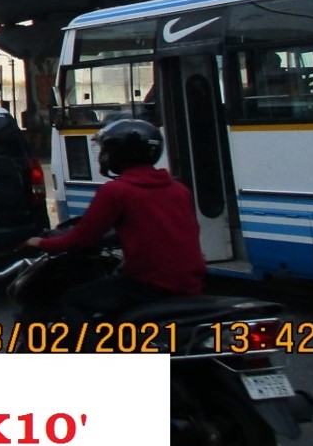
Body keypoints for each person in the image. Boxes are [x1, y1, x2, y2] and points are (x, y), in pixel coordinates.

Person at [25, 118, 206, 323]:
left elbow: (83, 237)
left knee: (72, 301)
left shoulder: (116, 191)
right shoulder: (178, 189)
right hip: (191, 282)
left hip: (149, 283)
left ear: (118, 154)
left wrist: (42, 243)